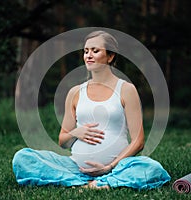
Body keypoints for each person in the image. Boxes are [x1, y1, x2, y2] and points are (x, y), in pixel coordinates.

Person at [12, 30, 171, 189]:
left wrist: (110, 167)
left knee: (152, 168)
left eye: (95, 51)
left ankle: (102, 180)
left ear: (110, 56)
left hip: (117, 168)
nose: (89, 55)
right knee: (22, 158)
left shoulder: (126, 89)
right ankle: (91, 183)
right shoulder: (75, 92)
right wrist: (76, 133)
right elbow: (62, 141)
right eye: (86, 51)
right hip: (75, 167)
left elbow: (138, 141)